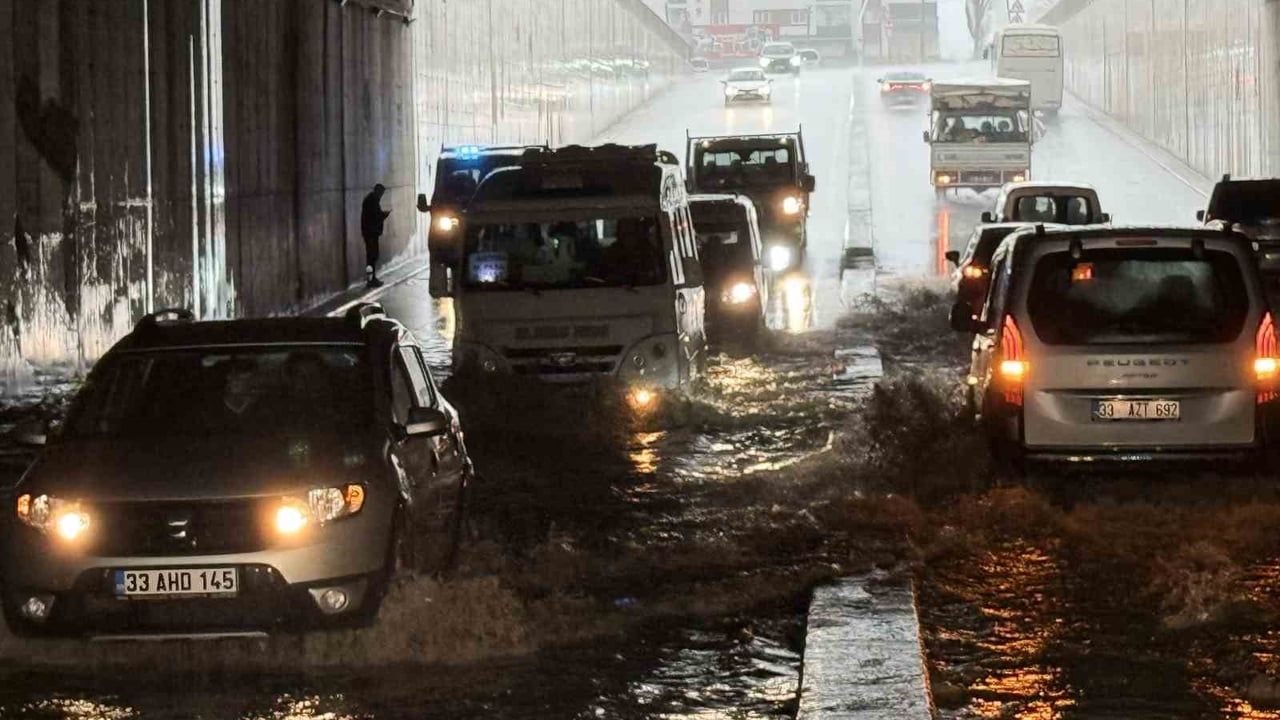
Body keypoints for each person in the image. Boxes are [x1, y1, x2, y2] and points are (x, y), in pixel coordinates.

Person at [361, 183, 392, 288]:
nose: (381, 196)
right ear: (377, 191)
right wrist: (384, 215)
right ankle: (371, 280)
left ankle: (371, 279)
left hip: (370, 233)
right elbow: (374, 217)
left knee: (372, 256)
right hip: (371, 233)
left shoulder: (371, 200)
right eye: (381, 193)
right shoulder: (372, 201)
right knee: (372, 256)